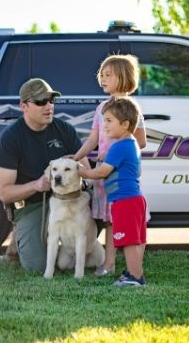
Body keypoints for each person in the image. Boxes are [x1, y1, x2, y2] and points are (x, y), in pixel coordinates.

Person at [0, 78, 89, 272]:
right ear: (24, 106)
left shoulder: (65, 130)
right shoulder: (10, 138)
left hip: (69, 199)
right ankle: (21, 236)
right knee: (37, 267)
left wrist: (82, 178)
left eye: (51, 101)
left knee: (101, 199)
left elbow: (85, 171)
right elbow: (4, 193)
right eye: (40, 102)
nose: (48, 106)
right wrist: (35, 185)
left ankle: (76, 248)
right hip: (32, 205)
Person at [71, 54, 146, 277]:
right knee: (109, 220)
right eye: (101, 75)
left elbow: (140, 141)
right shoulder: (101, 108)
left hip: (118, 174)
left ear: (122, 77)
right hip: (104, 178)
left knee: (123, 221)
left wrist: (111, 152)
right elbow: (92, 140)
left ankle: (124, 266)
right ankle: (109, 263)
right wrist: (76, 158)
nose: (102, 79)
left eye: (108, 75)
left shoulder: (132, 108)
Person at [79, 97, 147, 286]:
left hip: (124, 201)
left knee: (128, 241)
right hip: (135, 199)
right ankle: (135, 272)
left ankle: (134, 278)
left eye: (109, 121)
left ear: (125, 124)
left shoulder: (118, 146)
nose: (105, 125)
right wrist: (108, 156)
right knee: (137, 239)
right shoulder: (130, 143)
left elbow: (102, 172)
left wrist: (84, 172)